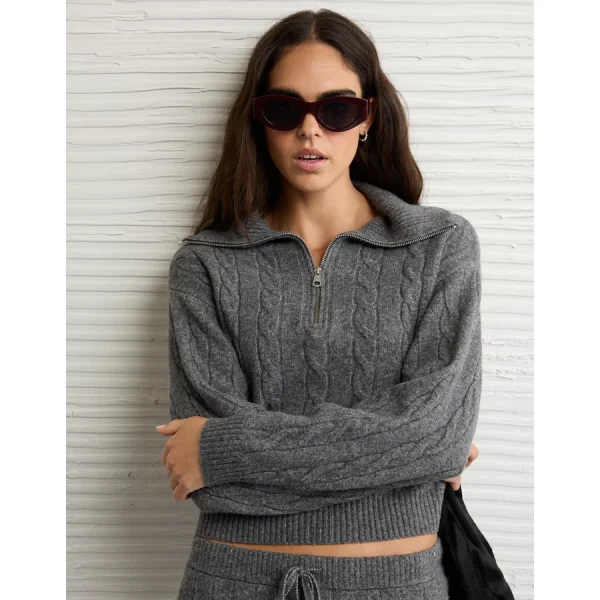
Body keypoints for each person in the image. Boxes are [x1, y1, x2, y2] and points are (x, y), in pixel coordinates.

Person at [158, 8, 483, 600]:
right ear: (258, 120)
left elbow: (435, 437)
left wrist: (221, 450)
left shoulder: (439, 246)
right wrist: (401, 453)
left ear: (368, 118)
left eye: (336, 110)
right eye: (285, 110)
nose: (310, 131)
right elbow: (208, 485)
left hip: (398, 584)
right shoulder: (205, 264)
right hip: (232, 581)